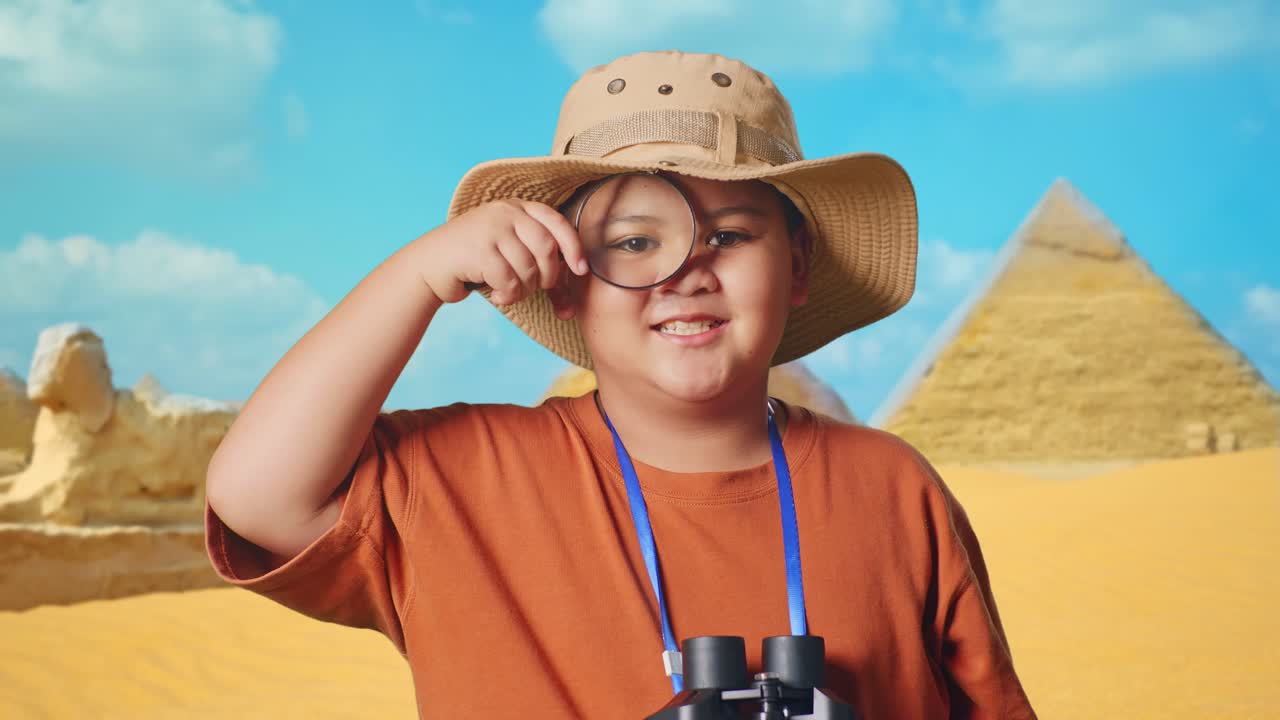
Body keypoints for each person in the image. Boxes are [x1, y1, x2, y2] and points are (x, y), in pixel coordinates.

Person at [204, 50, 1038, 718]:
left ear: (798, 269)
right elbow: (257, 496)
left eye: (732, 235)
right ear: (564, 280)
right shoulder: (465, 478)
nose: (688, 273)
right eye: (635, 243)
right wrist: (415, 276)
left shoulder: (894, 490)